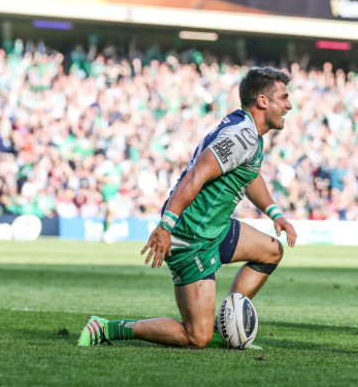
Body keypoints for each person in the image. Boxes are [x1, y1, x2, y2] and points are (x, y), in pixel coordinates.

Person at [77, 67, 298, 348]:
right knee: (197, 337)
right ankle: (107, 328)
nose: (289, 105)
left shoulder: (249, 133)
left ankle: (227, 326)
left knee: (271, 251)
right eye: (284, 97)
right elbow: (196, 176)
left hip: (214, 229)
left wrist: (275, 214)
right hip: (191, 237)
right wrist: (166, 226)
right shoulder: (241, 135)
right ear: (263, 101)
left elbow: (250, 174)